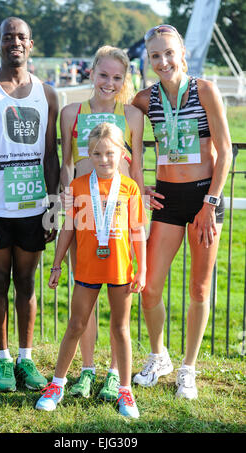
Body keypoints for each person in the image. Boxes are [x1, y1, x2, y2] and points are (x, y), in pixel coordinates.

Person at [131, 24, 232, 399]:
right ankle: (159, 356)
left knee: (199, 287)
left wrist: (211, 202)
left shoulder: (205, 90)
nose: (163, 61)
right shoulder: (145, 99)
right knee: (149, 286)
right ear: (148, 60)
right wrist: (140, 184)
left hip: (205, 198)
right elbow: (121, 128)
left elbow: (226, 151)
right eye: (155, 55)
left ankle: (188, 368)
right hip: (167, 199)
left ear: (182, 53)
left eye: (169, 53)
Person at [0, 17, 60, 392]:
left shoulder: (48, 94)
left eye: (21, 37)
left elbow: (51, 156)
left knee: (27, 283)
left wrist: (52, 207)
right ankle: (3, 360)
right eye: (8, 37)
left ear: (31, 44)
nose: (14, 42)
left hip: (35, 209)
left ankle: (26, 358)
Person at [36, 122, 146, 418]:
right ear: (89, 155)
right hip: (86, 269)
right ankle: (56, 385)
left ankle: (125, 390)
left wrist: (143, 269)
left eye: (109, 153)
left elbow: (137, 231)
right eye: (96, 154)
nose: (103, 160)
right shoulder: (78, 186)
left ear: (122, 153)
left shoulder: (130, 187)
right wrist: (57, 263)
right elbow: (68, 229)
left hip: (121, 270)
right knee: (76, 325)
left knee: (120, 330)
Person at [59, 45, 150, 402]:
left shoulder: (131, 116)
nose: (108, 83)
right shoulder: (70, 113)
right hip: (82, 217)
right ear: (91, 72)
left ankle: (115, 373)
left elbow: (138, 167)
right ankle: (85, 370)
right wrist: (64, 201)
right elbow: (67, 165)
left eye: (117, 77)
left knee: (119, 299)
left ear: (124, 80)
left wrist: (140, 212)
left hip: (120, 219)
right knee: (85, 299)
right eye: (103, 75)